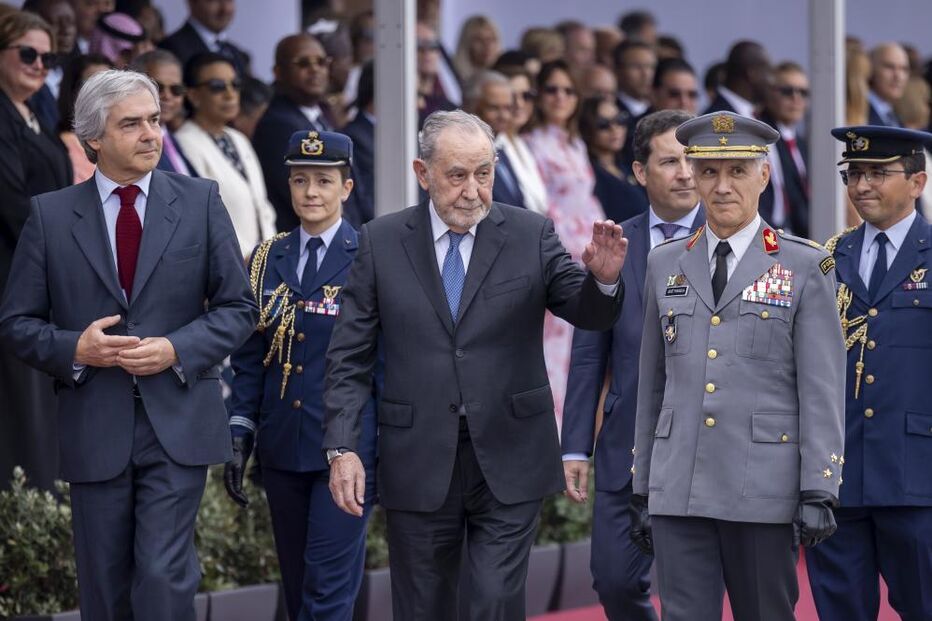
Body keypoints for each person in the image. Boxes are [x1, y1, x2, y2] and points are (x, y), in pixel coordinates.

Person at [323, 109, 627, 621]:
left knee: (492, 601)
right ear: (423, 173)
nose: (472, 190)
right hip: (417, 456)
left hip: (509, 453)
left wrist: (603, 281)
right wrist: (343, 448)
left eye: (483, 173)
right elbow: (348, 357)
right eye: (457, 175)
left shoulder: (530, 233)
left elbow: (585, 312)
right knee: (422, 606)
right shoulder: (381, 241)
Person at [0, 68, 256, 620]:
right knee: (105, 588)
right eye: (132, 124)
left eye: (156, 121)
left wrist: (176, 349)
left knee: (165, 578)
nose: (151, 135)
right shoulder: (49, 215)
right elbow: (16, 324)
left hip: (179, 421)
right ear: (93, 138)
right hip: (95, 423)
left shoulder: (200, 200)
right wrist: (77, 349)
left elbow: (241, 308)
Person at [629, 111, 846, 621]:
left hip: (763, 488)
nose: (722, 186)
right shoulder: (664, 262)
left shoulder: (803, 265)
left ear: (764, 176)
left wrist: (820, 484)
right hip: (680, 485)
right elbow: (652, 384)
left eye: (737, 171)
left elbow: (821, 386)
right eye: (708, 172)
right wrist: (643, 484)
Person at [225, 130, 378, 621]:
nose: (311, 192)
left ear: (347, 188)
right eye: (299, 180)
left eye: (324, 181)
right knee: (298, 587)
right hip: (282, 444)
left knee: (326, 588)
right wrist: (240, 430)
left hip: (348, 449)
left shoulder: (370, 255)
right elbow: (251, 355)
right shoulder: (267, 257)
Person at [562, 109, 703, 621]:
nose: (686, 173)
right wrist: (576, 445)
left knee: (693, 595)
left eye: (693, 160)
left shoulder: (734, 237)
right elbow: (588, 352)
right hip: (629, 444)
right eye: (670, 162)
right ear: (641, 172)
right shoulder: (614, 242)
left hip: (709, 445)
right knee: (615, 581)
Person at [806, 125, 932, 621]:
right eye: (853, 173)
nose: (862, 186)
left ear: (917, 182)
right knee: (840, 610)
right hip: (838, 474)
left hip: (917, 473)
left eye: (878, 173)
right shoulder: (826, 259)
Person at [0, 10, 73, 492]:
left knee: (42, 413)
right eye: (28, 53)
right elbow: (10, 202)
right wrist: (74, 244)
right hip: (11, 278)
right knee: (20, 412)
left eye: (48, 57)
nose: (40, 64)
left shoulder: (35, 113)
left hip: (42, 280)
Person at [524, 60, 606, 424]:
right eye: (552, 89)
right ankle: (552, 436)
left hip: (587, 255)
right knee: (550, 353)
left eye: (568, 90)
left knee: (577, 352)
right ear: (539, 95)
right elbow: (540, 204)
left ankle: (573, 437)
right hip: (559, 254)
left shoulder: (575, 143)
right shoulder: (531, 143)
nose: (560, 97)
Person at [254, 33, 369, 230]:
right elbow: (310, 201)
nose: (315, 69)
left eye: (321, 62)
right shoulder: (278, 125)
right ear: (278, 72)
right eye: (303, 63)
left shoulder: (321, 115)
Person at [175, 52, 275, 257]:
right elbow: (205, 217)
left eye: (235, 85)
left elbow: (262, 205)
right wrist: (243, 258)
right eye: (217, 87)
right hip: (227, 265)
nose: (230, 94)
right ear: (193, 95)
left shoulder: (239, 139)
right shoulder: (184, 143)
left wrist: (271, 253)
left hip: (263, 264)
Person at [759, 61, 811, 237]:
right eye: (787, 91)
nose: (796, 99)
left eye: (803, 93)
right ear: (770, 94)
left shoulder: (804, 143)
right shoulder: (762, 135)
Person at [578, 96, 648, 222]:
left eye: (620, 120)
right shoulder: (588, 174)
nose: (614, 129)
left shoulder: (626, 166)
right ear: (587, 129)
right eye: (603, 124)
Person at [492, 63, 548, 214]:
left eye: (526, 96)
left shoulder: (524, 143)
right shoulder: (491, 145)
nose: (519, 104)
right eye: (512, 96)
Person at [465, 69, 526, 208]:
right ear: (471, 106)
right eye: (494, 108)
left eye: (508, 108)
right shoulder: (462, 153)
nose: (503, 116)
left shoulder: (500, 147)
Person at [131, 49, 196, 176]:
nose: (167, 96)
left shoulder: (172, 139)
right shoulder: (131, 142)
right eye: (157, 87)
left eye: (176, 89)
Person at [57, 52, 112, 183]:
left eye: (109, 86)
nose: (102, 93)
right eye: (93, 86)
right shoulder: (60, 148)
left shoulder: (126, 139)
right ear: (73, 91)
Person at [159, 0, 250, 77]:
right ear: (192, 2)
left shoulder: (239, 55)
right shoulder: (169, 49)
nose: (225, 9)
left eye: (229, 0)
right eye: (214, 0)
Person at [705, 40, 772, 117]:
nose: (772, 81)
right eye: (769, 72)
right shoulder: (718, 119)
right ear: (753, 73)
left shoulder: (757, 117)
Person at [867, 43, 909, 127]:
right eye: (889, 67)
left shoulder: (896, 117)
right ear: (870, 69)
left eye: (904, 69)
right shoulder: (856, 112)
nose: (898, 76)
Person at [453, 15, 500, 87]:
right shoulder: (452, 79)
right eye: (479, 40)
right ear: (466, 43)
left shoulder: (504, 81)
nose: (487, 45)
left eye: (491, 39)